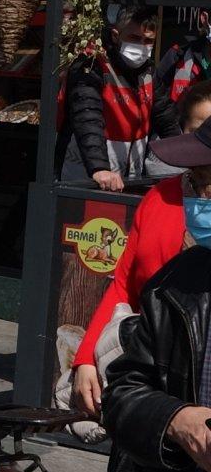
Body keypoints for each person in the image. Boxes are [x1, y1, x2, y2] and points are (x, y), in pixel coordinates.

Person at [103, 115, 211, 472]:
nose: (198, 199)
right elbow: (124, 390)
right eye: (196, 183)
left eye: (208, 183)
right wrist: (175, 420)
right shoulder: (177, 285)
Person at [72, 80, 211, 416]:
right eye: (199, 132)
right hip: (148, 375)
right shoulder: (158, 198)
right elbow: (123, 285)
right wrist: (87, 357)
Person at [58, 6, 182, 191]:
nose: (142, 46)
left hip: (129, 180)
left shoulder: (148, 72)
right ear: (116, 36)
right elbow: (87, 116)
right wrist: (99, 168)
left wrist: (186, 158)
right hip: (85, 179)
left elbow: (166, 118)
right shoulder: (91, 66)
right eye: (134, 38)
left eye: (148, 41)